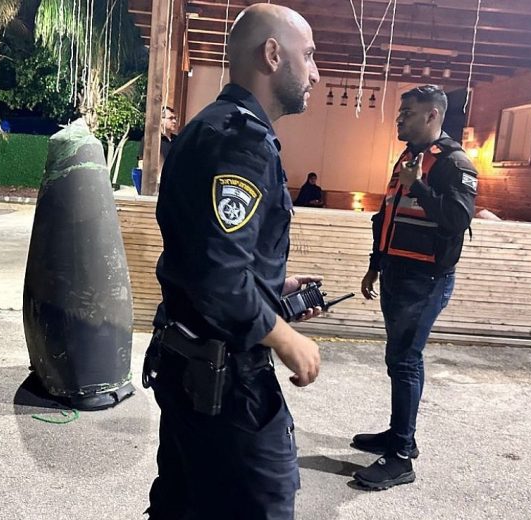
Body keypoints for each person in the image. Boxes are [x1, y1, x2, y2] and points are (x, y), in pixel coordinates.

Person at [142, 4, 321, 518]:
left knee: (183, 504)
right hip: (225, 383)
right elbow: (218, 276)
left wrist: (273, 287)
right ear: (272, 54)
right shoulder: (241, 142)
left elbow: (206, 254)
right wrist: (285, 337)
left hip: (190, 366)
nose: (314, 73)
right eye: (309, 55)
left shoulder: (212, 128)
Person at [352, 85, 477, 490]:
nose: (399, 119)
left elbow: (457, 219)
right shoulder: (408, 158)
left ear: (432, 115)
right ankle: (400, 435)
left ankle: (401, 458)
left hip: (426, 280)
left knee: (405, 360)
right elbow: (386, 216)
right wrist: (375, 265)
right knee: (402, 359)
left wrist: (419, 185)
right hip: (397, 272)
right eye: (400, 112)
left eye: (407, 112)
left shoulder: (455, 163)